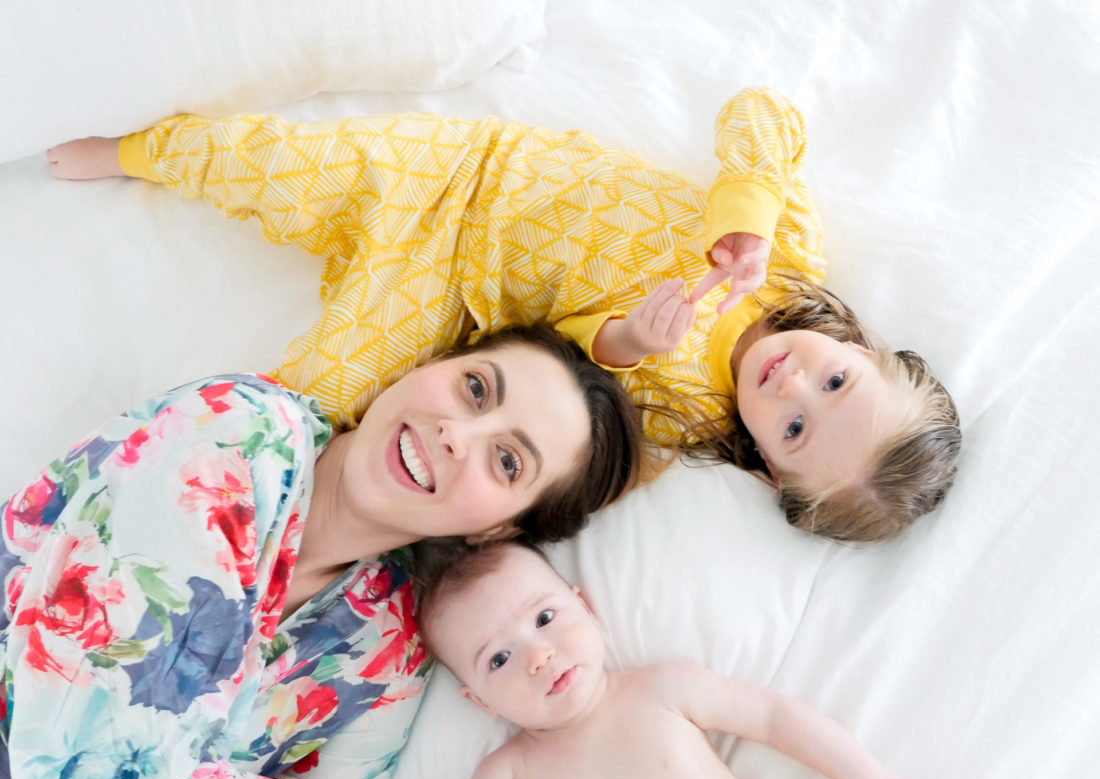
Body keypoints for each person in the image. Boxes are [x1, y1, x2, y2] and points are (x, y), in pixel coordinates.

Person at [46, 87, 960, 541]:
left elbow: (562, 390)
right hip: (469, 173)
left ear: (766, 462)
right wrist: (747, 210)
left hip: (452, 299)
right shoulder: (788, 249)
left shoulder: (692, 414)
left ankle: (176, 486)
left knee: (313, 401)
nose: (792, 382)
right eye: (835, 378)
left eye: (796, 426)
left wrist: (626, 344)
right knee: (282, 163)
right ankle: (141, 151)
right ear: (862, 346)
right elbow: (762, 113)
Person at [0, 324, 643, 779]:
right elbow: (87, 776)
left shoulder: (391, 641)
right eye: (474, 389)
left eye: (506, 460)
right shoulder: (239, 431)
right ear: (429, 366)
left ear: (498, 528)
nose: (456, 435)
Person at [415, 539, 945, 779]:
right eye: (499, 659)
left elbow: (775, 718)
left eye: (545, 619)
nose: (539, 655)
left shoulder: (661, 689)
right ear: (479, 702)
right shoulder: (513, 770)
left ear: (586, 605)